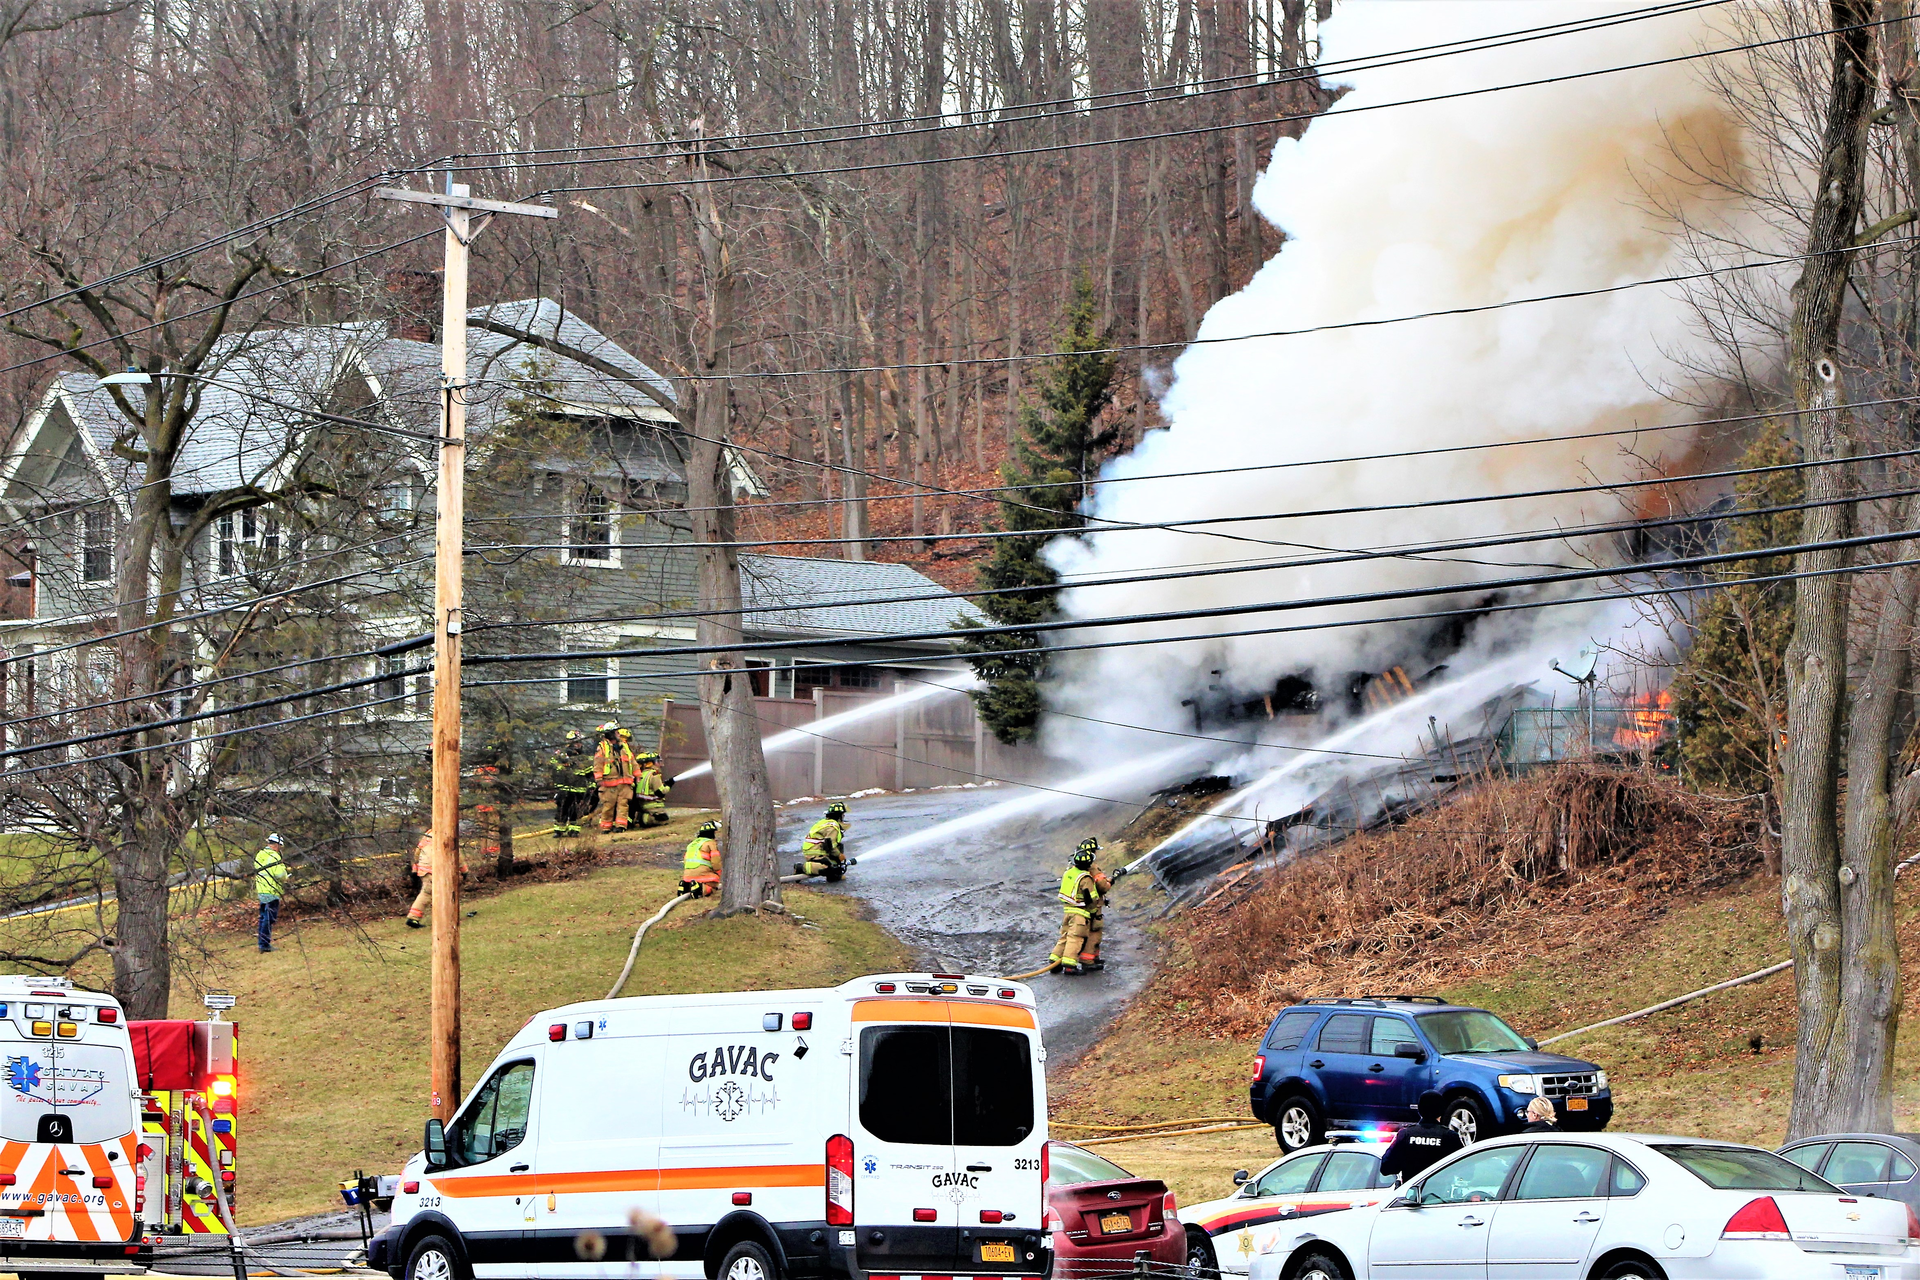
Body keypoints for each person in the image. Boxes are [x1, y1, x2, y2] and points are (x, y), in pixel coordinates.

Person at [1049, 837, 1115, 975]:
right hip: (1081, 912)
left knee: (1066, 936)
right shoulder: (1087, 876)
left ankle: (1055, 961)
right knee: (1076, 938)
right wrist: (1093, 912)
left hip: (1068, 910)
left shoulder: (1071, 872)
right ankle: (1070, 965)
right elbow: (1094, 895)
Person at [1379, 1091, 1465, 1185]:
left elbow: (1386, 1168)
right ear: (1441, 1110)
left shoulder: (1405, 1135)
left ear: (1419, 1109)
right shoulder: (1450, 1137)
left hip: (1412, 1196)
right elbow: (1467, 1173)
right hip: (1440, 1196)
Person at [406, 828, 468, 928]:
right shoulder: (448, 833)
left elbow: (417, 852)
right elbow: (457, 854)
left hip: (424, 869)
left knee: (428, 892)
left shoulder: (428, 834)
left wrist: (415, 869)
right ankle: (414, 918)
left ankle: (415, 917)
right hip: (435, 869)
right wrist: (464, 871)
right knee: (434, 893)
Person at [593, 721, 638, 833]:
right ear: (611, 734)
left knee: (623, 805)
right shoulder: (603, 748)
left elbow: (632, 761)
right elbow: (598, 763)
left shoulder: (624, 747)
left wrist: (637, 775)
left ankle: (620, 826)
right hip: (609, 783)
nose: (619, 734)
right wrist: (599, 779)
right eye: (617, 732)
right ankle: (606, 827)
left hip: (625, 783)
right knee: (608, 806)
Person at [549, 731, 595, 836]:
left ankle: (574, 831)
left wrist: (591, 787)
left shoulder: (583, 758)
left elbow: (590, 774)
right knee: (562, 809)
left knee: (576, 810)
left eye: (580, 743)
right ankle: (559, 830)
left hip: (579, 789)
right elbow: (553, 767)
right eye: (577, 743)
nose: (580, 745)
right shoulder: (560, 756)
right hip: (564, 788)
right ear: (571, 743)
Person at [254, 833, 291, 953]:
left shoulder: (260, 855)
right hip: (272, 890)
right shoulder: (275, 857)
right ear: (276, 845)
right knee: (269, 919)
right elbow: (280, 875)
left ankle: (261, 942)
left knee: (263, 917)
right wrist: (286, 876)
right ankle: (264, 944)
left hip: (262, 890)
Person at [795, 802, 850, 880]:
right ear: (838, 816)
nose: (843, 816)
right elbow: (830, 845)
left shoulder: (826, 822)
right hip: (815, 853)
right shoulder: (833, 827)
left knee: (837, 862)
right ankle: (801, 868)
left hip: (817, 850)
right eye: (842, 814)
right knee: (827, 869)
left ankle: (834, 874)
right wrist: (839, 855)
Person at [680, 819, 722, 897]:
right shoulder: (711, 843)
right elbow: (716, 862)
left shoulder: (692, 844)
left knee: (693, 883)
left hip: (687, 876)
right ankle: (700, 889)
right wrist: (718, 873)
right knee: (713, 885)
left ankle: (685, 887)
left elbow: (686, 861)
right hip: (703, 876)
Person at [635, 750, 674, 828]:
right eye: (658, 761)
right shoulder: (654, 774)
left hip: (643, 805)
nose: (660, 764)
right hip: (653, 807)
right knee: (663, 820)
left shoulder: (643, 774)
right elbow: (660, 792)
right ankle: (644, 818)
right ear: (652, 763)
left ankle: (640, 817)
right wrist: (669, 785)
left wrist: (664, 784)